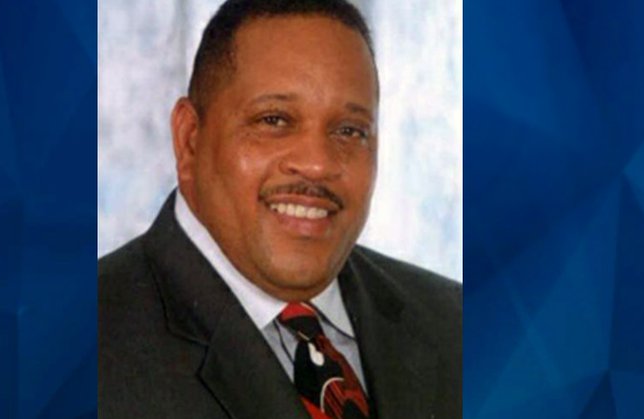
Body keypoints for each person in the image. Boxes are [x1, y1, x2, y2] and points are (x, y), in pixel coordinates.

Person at [98, 0, 461, 418]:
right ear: (190, 139)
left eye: (349, 130)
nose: (318, 164)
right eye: (274, 120)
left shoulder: (458, 324)